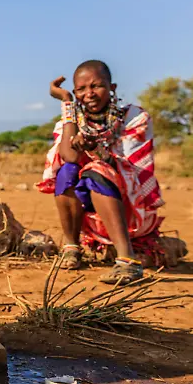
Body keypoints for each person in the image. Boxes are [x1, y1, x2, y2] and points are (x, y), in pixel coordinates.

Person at [38, 60, 165, 285]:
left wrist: (93, 149)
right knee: (66, 172)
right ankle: (72, 247)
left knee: (96, 170)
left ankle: (127, 261)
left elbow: (130, 170)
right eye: (81, 89)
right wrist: (67, 103)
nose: (90, 94)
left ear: (112, 87)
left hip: (130, 209)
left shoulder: (134, 117)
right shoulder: (70, 122)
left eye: (96, 86)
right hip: (90, 213)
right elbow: (70, 157)